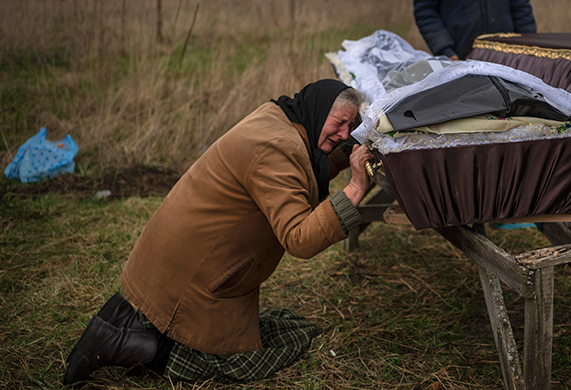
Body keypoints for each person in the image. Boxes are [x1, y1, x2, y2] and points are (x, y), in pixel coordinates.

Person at [62, 79, 373, 385]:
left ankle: (126, 322)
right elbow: (299, 239)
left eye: (351, 127)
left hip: (174, 262)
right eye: (340, 123)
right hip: (194, 277)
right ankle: (129, 345)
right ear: (320, 109)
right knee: (254, 356)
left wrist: (351, 152)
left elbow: (306, 168)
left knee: (289, 327)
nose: (344, 133)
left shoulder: (278, 118)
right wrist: (356, 187)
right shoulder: (279, 148)